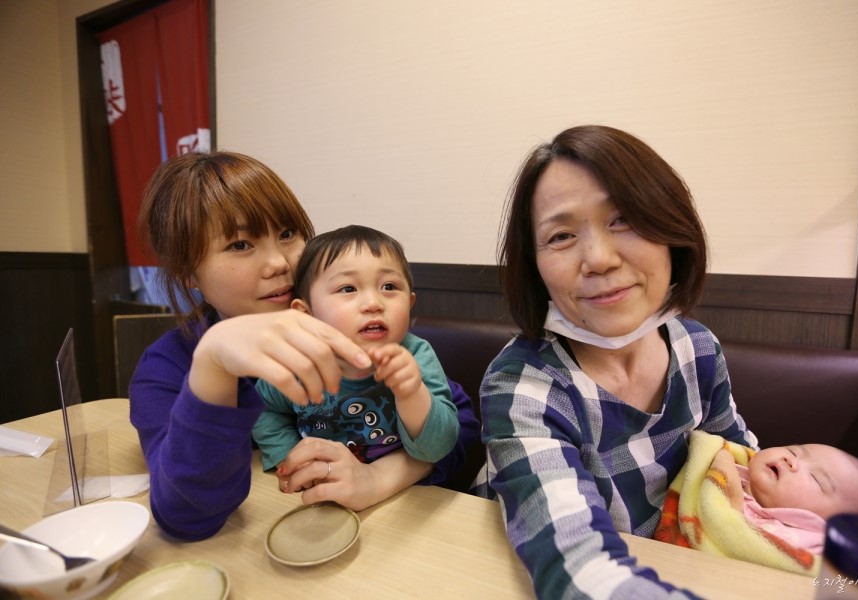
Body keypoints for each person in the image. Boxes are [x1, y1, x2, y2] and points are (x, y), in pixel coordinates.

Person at [130, 151, 478, 541]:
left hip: (384, 531)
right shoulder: (167, 367)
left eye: (287, 234)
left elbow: (460, 426)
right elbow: (183, 513)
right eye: (240, 244)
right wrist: (213, 364)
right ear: (187, 272)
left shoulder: (346, 330)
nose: (279, 263)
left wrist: (377, 477)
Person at [479, 124, 758, 598]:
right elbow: (577, 568)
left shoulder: (697, 349)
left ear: (671, 230)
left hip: (674, 565)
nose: (599, 259)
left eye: (624, 219)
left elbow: (740, 462)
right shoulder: (523, 385)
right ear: (535, 266)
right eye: (562, 235)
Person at [252, 225, 459, 476]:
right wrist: (289, 455)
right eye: (348, 288)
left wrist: (412, 393)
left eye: (389, 286)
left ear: (410, 302)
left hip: (400, 492)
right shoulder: (296, 362)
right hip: (319, 487)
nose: (374, 303)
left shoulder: (415, 356)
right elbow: (262, 408)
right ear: (306, 314)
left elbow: (438, 449)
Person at [653, 431, 858, 574]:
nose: (791, 460)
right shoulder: (725, 468)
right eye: (795, 451)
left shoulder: (815, 547)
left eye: (816, 478)